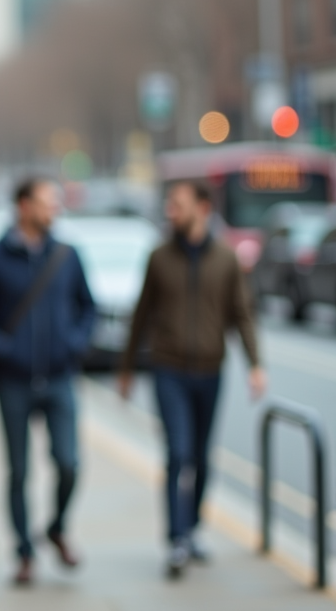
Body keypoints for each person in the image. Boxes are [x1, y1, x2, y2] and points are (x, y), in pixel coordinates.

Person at [118, 180, 266, 579]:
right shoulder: (159, 258)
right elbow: (141, 314)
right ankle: (176, 538)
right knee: (177, 453)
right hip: (168, 369)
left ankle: (193, 526)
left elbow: (242, 313)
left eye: (178, 204)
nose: (171, 210)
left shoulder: (226, 259)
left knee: (201, 457)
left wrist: (255, 364)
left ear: (202, 207)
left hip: (209, 370)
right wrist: (127, 368)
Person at [0, 177, 96, 585]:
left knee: (69, 464)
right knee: (18, 472)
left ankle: (56, 527)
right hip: (13, 382)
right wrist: (3, 349)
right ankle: (23, 552)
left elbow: (87, 307)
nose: (53, 209)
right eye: (46, 202)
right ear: (22, 206)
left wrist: (74, 344)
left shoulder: (67, 255)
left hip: (60, 378)